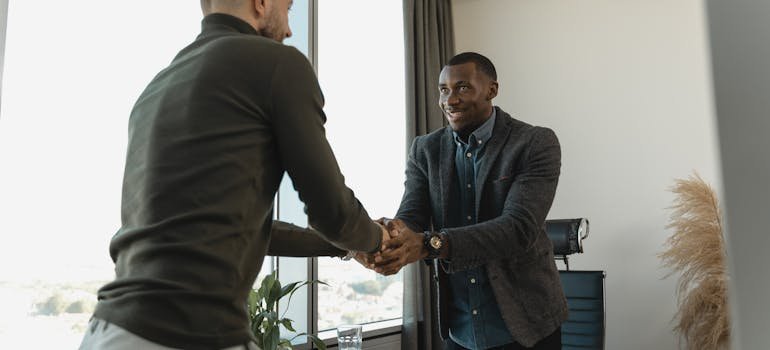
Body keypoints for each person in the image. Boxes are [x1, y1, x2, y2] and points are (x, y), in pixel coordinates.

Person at [79, 1, 388, 349]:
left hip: (108, 331)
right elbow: (334, 212)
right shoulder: (277, 64)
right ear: (261, 3)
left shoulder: (157, 86)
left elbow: (238, 228)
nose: (289, 29)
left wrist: (342, 249)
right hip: (186, 334)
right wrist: (379, 240)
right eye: (287, 8)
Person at [374, 52, 566, 350]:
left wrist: (430, 244)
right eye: (444, 90)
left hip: (526, 328)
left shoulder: (534, 143)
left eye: (462, 87)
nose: (450, 100)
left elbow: (518, 229)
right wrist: (387, 237)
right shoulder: (425, 149)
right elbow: (412, 216)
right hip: (460, 331)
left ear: (492, 90)